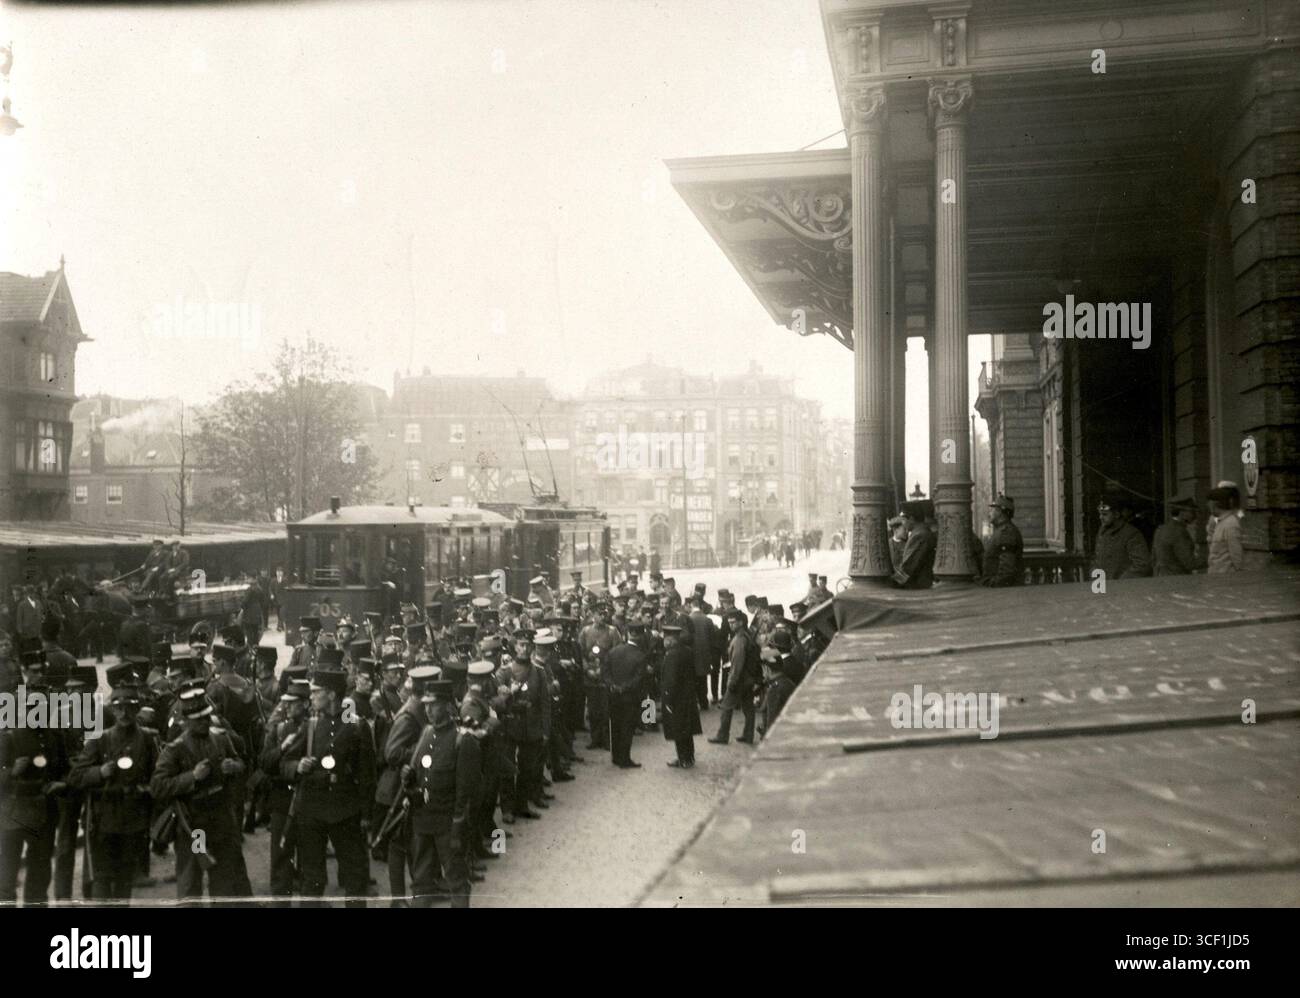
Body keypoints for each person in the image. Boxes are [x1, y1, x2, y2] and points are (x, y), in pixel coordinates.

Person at [150, 686, 254, 904]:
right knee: (191, 883)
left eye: (206, 717)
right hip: (194, 827)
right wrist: (192, 777)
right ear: (186, 721)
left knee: (225, 883)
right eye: (197, 719)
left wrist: (233, 766)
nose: (204, 722)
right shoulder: (175, 749)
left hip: (222, 823)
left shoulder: (222, 738)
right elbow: (158, 786)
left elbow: (241, 763)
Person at [283, 659, 374, 908]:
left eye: (316, 692)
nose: (311, 697)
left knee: (355, 876)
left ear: (332, 694)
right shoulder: (311, 724)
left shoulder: (356, 726)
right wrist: (296, 767)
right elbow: (285, 761)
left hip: (346, 810)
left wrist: (366, 815)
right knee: (311, 879)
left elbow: (367, 774)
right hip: (311, 810)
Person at [68, 683, 160, 902]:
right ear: (112, 710)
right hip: (103, 821)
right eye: (119, 708)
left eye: (130, 707)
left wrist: (147, 791)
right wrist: (99, 772)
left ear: (137, 709)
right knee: (101, 878)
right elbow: (75, 777)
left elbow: (159, 777)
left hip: (134, 820)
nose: (124, 713)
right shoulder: (100, 739)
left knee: (124, 880)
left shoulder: (148, 739)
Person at [0, 652, 68, 905]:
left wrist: (64, 783)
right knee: (6, 880)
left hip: (44, 812)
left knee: (39, 879)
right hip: (12, 813)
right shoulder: (7, 737)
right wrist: (11, 772)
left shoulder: (54, 736)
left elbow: (64, 769)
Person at [406, 679, 481, 908]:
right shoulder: (427, 732)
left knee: (456, 880)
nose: (428, 709)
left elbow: (467, 791)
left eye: (434, 704)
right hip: (422, 820)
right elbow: (419, 774)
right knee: (421, 881)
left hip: (448, 824)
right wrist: (409, 778)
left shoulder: (462, 739)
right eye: (426, 704)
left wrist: (459, 825)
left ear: (447, 706)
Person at [709, 608, 758, 745]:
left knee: (726, 706)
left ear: (741, 623)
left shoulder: (739, 640)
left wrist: (732, 681)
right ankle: (748, 735)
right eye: (729, 623)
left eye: (733, 622)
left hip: (739, 679)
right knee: (748, 707)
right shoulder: (746, 636)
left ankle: (722, 735)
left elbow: (737, 663)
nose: (731, 625)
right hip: (748, 678)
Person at [602, 624, 648, 769]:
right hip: (630, 697)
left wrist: (613, 685)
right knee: (627, 727)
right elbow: (638, 678)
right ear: (640, 636)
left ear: (628, 634)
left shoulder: (613, 651)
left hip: (613, 695)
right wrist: (624, 688)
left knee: (615, 725)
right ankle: (625, 759)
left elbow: (605, 672)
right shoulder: (640, 655)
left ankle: (615, 757)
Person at [659, 625, 700, 769]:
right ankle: (689, 757)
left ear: (670, 640)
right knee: (686, 729)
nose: (664, 642)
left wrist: (667, 699)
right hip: (687, 696)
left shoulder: (671, 655)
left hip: (676, 699)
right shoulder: (687, 651)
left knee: (678, 730)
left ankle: (682, 758)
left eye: (665, 639)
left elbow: (670, 680)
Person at [1093, 494, 1152, 579]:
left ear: (1116, 514)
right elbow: (1097, 560)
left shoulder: (1131, 534)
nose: (1100, 517)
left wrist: (1121, 582)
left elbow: (1142, 565)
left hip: (1123, 588)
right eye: (1100, 514)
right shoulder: (1102, 533)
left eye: (1105, 514)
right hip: (1104, 586)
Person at [978, 495, 1024, 586]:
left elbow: (1006, 571)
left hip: (1002, 592)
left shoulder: (1006, 532)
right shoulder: (1001, 531)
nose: (989, 513)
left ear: (999, 512)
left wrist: (991, 583)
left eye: (992, 510)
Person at [890, 500, 937, 589]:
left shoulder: (920, 535)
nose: (903, 524)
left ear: (911, 519)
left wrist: (893, 582)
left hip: (917, 587)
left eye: (904, 520)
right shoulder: (920, 532)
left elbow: (909, 565)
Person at [1153, 497, 1199, 575]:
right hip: (1178, 579)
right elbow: (1190, 563)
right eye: (1192, 511)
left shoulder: (1161, 529)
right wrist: (1211, 559)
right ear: (1182, 512)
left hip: (1161, 578)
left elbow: (1154, 558)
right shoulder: (1179, 531)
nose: (1195, 515)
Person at [1206, 485, 1246, 573]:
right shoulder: (1221, 523)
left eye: (1209, 503)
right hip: (1217, 576)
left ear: (1214, 504)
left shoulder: (1231, 524)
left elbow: (1236, 555)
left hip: (1226, 578)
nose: (1207, 506)